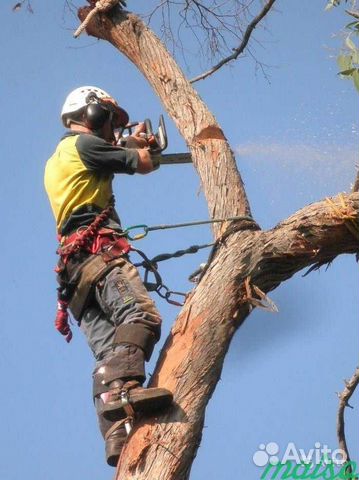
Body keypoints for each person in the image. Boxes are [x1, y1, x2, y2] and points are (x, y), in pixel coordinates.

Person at [44, 86, 173, 467]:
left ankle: (116, 433)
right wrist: (143, 150)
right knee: (141, 317)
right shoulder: (81, 146)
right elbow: (142, 163)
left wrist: (128, 144)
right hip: (99, 256)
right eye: (109, 122)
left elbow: (114, 156)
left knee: (109, 352)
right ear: (91, 113)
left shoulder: (61, 157)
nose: (111, 132)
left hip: (74, 276)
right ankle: (127, 393)